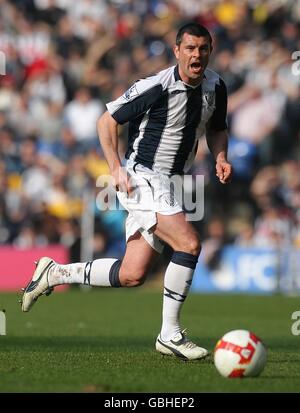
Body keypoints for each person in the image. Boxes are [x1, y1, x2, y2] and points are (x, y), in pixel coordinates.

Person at [21, 23, 233, 360]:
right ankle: (170, 334)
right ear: (176, 50)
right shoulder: (156, 86)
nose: (197, 55)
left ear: (210, 50)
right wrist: (115, 168)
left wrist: (221, 155)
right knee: (189, 243)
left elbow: (218, 127)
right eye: (190, 48)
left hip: (173, 182)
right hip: (142, 176)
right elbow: (107, 121)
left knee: (132, 274)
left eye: (203, 48)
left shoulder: (216, 86)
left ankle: (54, 273)